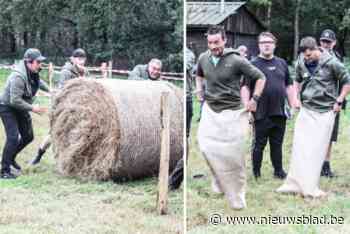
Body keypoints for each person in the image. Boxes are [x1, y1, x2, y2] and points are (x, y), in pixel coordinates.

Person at [196, 25, 266, 209]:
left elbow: (260, 77)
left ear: (225, 40)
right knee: (205, 147)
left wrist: (255, 99)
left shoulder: (236, 60)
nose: (213, 46)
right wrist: (199, 88)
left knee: (233, 156)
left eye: (216, 42)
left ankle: (238, 195)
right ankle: (218, 178)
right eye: (210, 42)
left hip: (232, 112)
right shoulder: (203, 58)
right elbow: (199, 74)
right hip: (210, 110)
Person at [277, 37, 350, 197]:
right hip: (307, 109)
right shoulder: (301, 62)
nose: (307, 58)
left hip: (325, 111)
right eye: (304, 56)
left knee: (316, 149)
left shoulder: (332, 62)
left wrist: (340, 100)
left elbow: (346, 81)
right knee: (300, 146)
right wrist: (295, 98)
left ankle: (310, 186)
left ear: (316, 49)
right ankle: (294, 183)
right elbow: (296, 80)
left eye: (309, 55)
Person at [243, 32, 296, 179]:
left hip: (279, 111)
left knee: (277, 144)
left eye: (269, 42)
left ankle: (278, 171)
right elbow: (245, 87)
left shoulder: (282, 63)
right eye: (263, 42)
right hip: (260, 112)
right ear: (259, 45)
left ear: (274, 45)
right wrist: (247, 108)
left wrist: (293, 105)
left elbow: (289, 85)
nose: (266, 45)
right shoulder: (252, 64)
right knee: (259, 144)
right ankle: (256, 173)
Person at [30, 48, 88, 165]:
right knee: (53, 134)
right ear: (72, 59)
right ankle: (39, 155)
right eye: (78, 59)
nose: (81, 61)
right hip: (63, 106)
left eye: (83, 59)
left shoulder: (85, 72)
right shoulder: (66, 72)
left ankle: (72, 159)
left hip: (79, 107)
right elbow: (63, 91)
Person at [0, 48, 49, 178]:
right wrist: (33, 109)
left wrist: (50, 90)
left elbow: (38, 82)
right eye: (38, 62)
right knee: (13, 137)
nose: (40, 64)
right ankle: (4, 171)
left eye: (40, 62)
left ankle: (10, 158)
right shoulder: (18, 77)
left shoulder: (33, 71)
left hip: (21, 106)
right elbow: (14, 100)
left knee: (28, 136)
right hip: (7, 107)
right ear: (29, 62)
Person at [168, 47, 195, 190]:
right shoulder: (176, 54)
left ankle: (174, 181)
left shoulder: (189, 55)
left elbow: (186, 66)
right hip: (173, 97)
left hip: (186, 98)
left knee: (184, 140)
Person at [319, 29, 344, 177]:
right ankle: (314, 163)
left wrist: (341, 100)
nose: (326, 44)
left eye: (328, 42)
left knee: (330, 135)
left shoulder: (338, 57)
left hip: (334, 102)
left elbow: (343, 79)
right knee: (317, 135)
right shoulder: (314, 56)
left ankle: (326, 165)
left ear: (334, 43)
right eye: (323, 41)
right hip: (319, 102)